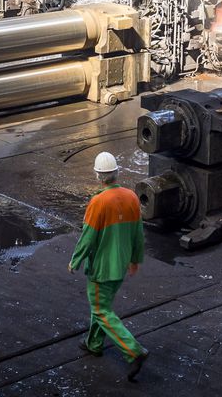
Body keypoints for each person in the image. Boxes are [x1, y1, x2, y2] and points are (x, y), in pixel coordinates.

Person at [68, 151, 149, 381]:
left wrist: (75, 259)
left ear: (97, 176)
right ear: (116, 173)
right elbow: (138, 234)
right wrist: (135, 259)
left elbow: (88, 237)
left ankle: (134, 351)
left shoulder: (98, 202)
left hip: (102, 269)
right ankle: (94, 343)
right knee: (101, 306)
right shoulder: (132, 197)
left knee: (101, 310)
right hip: (120, 266)